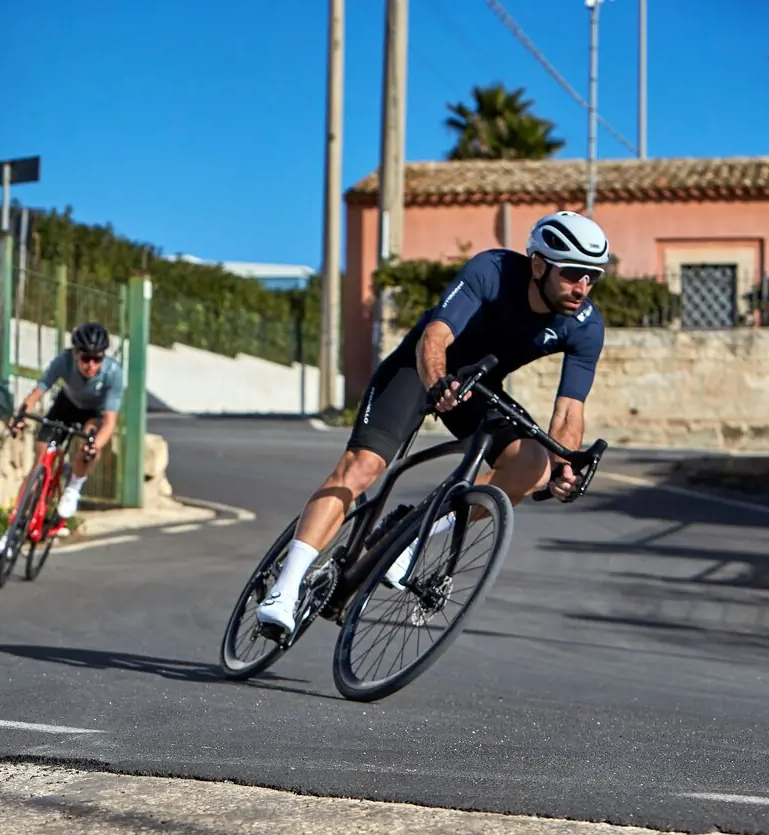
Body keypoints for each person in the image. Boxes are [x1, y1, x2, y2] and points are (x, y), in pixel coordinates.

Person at [256, 210, 611, 633]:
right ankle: (287, 584)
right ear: (539, 264)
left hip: (478, 384)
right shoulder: (492, 270)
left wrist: (563, 466)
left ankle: (414, 532)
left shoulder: (585, 325)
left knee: (532, 464)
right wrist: (437, 383)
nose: (583, 287)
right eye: (573, 273)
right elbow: (436, 336)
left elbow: (570, 411)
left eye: (593, 277)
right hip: (418, 369)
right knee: (362, 467)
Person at [8, 322, 126, 520]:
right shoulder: (63, 360)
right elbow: (39, 390)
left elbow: (109, 423)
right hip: (66, 405)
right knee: (41, 460)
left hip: (93, 413)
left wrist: (94, 446)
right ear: (75, 353)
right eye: (86, 358)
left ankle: (73, 488)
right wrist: (20, 415)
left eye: (97, 359)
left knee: (89, 443)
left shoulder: (113, 373)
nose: (91, 365)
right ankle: (16, 522)